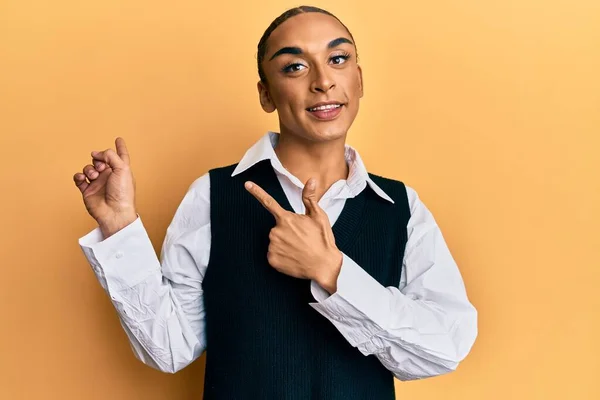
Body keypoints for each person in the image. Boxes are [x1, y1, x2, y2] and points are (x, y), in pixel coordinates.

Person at [74, 5, 477, 399]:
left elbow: (444, 348)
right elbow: (169, 347)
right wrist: (119, 226)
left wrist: (332, 272)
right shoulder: (213, 195)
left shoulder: (400, 206)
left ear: (359, 79)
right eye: (294, 67)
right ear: (266, 94)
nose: (322, 81)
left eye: (338, 58)